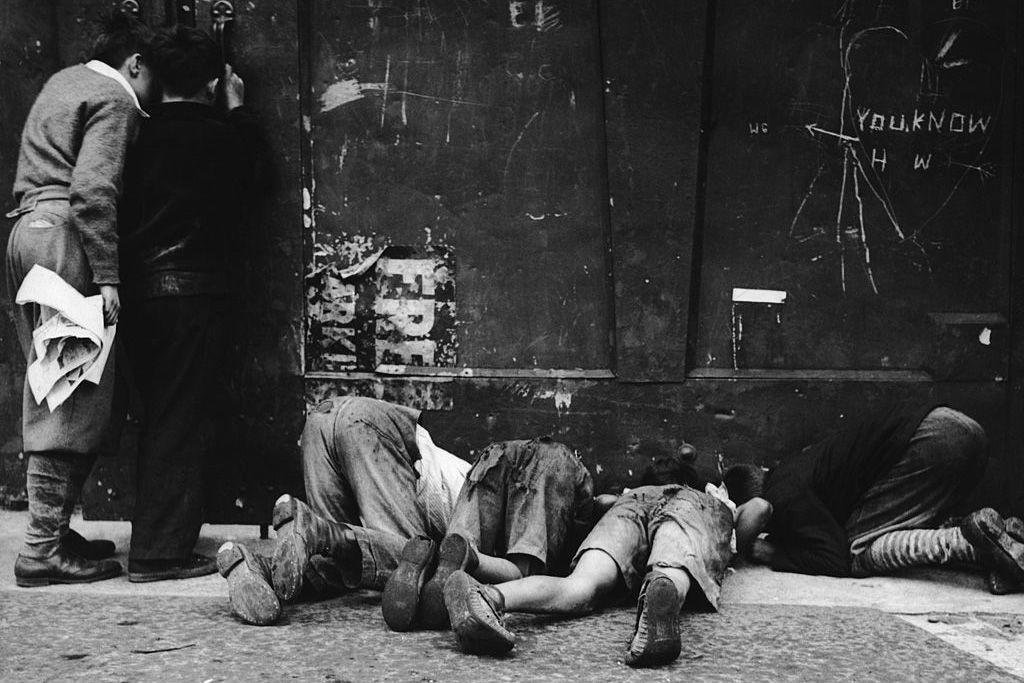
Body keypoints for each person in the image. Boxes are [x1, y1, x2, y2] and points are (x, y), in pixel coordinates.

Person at [215, 396, 596, 627]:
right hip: (371, 427)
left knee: (324, 572)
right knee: (412, 560)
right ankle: (322, 533)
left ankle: (252, 565)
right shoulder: (533, 487)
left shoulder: (484, 470)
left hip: (325, 416)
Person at [6, 13, 157, 587]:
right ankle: (41, 549)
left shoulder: (62, 82)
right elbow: (94, 190)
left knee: (54, 381)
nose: (154, 95)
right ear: (134, 63)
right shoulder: (113, 97)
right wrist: (110, 277)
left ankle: (53, 530)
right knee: (70, 396)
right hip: (68, 242)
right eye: (153, 79)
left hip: (28, 233)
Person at [116, 25, 266, 582]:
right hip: (191, 294)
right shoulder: (221, 135)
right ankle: (159, 554)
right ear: (212, 81)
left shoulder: (138, 134)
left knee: (159, 414)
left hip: (138, 296)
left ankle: (159, 541)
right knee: (181, 419)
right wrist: (240, 110)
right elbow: (258, 177)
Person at [724, 403, 1024, 592]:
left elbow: (835, 559)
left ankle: (970, 544)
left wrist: (772, 553)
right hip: (959, 428)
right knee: (890, 530)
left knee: (859, 553)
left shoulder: (782, 494)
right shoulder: (795, 469)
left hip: (934, 442)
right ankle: (1002, 538)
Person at [440, 480, 740, 668]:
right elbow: (760, 510)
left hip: (632, 500)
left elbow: (604, 503)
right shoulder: (713, 496)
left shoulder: (635, 488)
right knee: (671, 568)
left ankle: (488, 596)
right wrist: (729, 517)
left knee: (580, 586)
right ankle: (663, 591)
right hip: (696, 506)